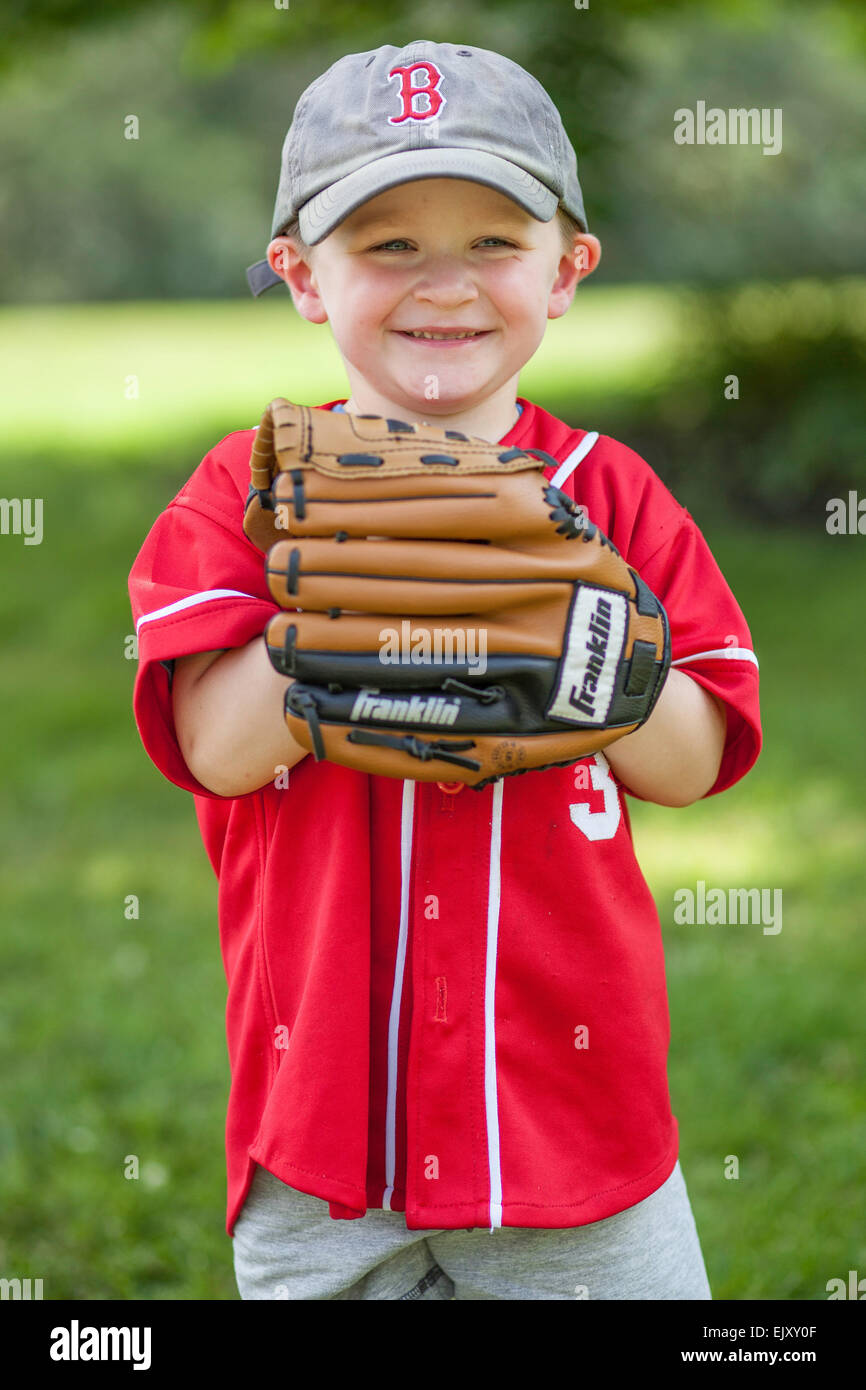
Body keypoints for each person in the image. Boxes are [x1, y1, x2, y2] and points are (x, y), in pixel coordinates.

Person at [128, 39, 761, 1300]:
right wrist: (345, 600)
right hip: (322, 1144)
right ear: (300, 276)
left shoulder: (609, 497)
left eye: (490, 241)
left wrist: (582, 639)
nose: (444, 286)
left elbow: (694, 760)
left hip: (572, 1132)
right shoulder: (245, 495)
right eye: (387, 245)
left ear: (565, 270)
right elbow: (215, 746)